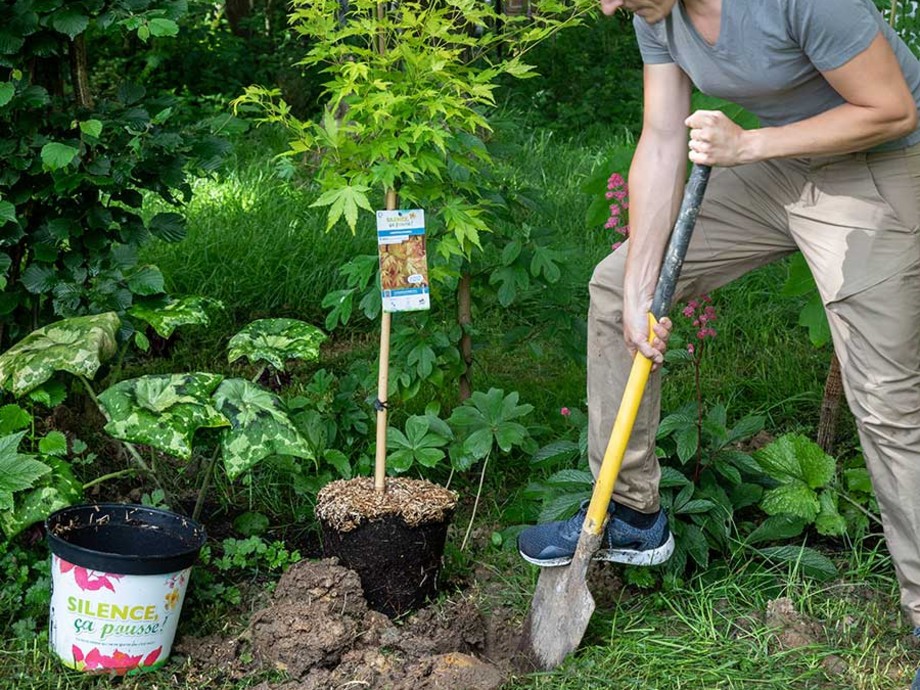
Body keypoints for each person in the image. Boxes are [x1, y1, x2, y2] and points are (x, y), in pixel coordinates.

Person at [517, 0, 920, 680]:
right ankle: (631, 512)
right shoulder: (657, 15)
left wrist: (749, 145)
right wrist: (646, 283)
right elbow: (662, 138)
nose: (608, 6)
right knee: (617, 286)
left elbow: (893, 108)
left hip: (879, 166)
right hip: (782, 166)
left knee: (887, 403)